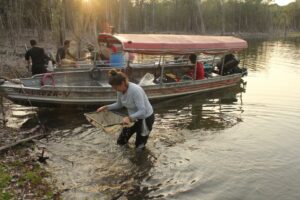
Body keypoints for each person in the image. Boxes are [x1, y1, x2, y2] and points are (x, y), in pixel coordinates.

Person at [97, 69, 155, 150]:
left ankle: (139, 161)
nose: (115, 89)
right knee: (121, 142)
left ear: (123, 83)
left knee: (139, 146)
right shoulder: (120, 90)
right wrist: (106, 107)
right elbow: (119, 104)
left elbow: (143, 111)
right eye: (113, 87)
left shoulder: (135, 90)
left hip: (145, 118)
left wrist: (129, 118)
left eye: (116, 87)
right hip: (132, 118)